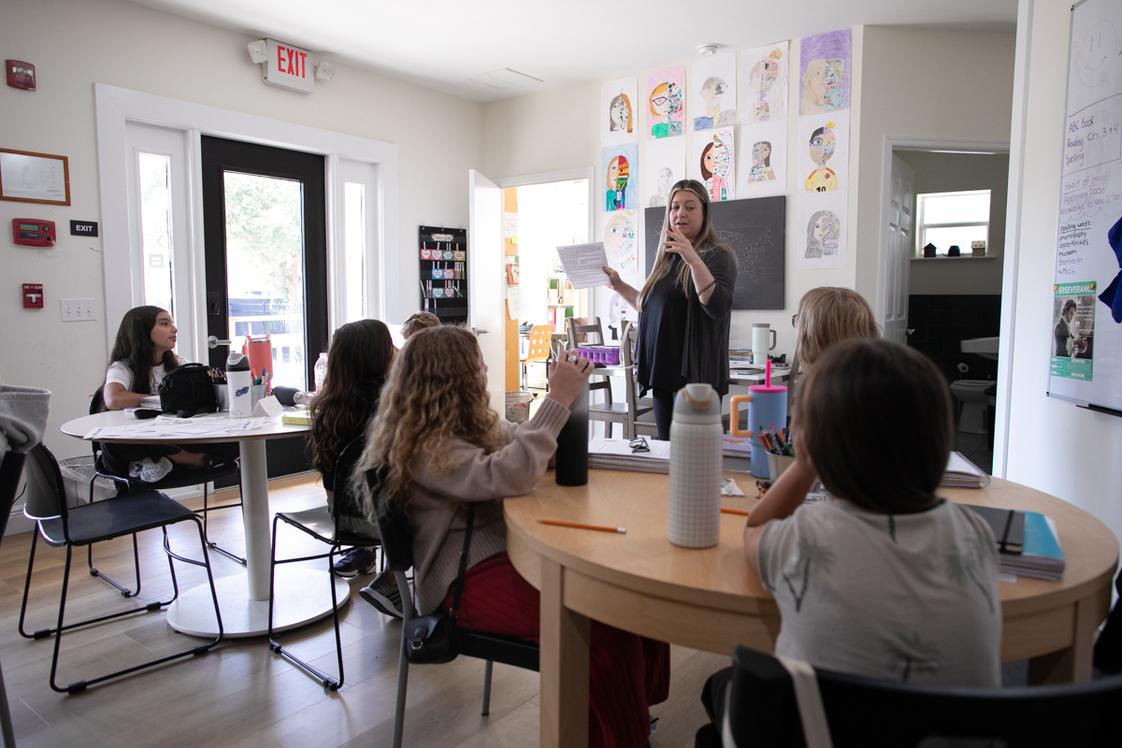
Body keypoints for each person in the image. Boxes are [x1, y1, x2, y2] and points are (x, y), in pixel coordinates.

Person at [357, 326, 670, 747]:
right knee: (600, 633)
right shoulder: (424, 449)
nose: (485, 368)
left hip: (503, 556)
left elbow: (523, 448)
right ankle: (624, 731)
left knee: (626, 598)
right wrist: (556, 401)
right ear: (451, 378)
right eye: (476, 363)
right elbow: (511, 471)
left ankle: (625, 720)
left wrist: (558, 410)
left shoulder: (467, 426)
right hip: (459, 585)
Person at [603, 178, 737, 439]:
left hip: (696, 378)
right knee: (666, 454)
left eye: (690, 207)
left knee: (695, 456)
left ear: (704, 213)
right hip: (663, 372)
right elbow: (648, 305)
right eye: (675, 207)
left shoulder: (717, 254)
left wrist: (693, 259)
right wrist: (618, 285)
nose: (680, 213)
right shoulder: (667, 256)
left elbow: (717, 305)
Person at [98, 306, 235, 482]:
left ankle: (161, 460)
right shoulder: (122, 368)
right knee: (112, 440)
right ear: (142, 331)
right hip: (141, 436)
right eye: (164, 323)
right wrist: (162, 400)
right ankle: (183, 458)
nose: (174, 329)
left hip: (175, 433)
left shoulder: (179, 364)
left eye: (172, 323)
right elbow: (113, 399)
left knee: (236, 442)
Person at [307, 319, 394, 583]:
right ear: (381, 356)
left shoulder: (329, 410)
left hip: (345, 520)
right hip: (396, 521)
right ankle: (394, 578)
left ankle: (366, 554)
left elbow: (330, 482)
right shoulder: (396, 405)